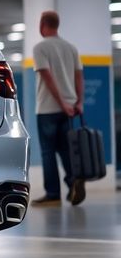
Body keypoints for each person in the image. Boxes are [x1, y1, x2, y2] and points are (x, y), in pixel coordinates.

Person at [31, 11, 85, 207]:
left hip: (47, 108)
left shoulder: (40, 48)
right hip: (70, 108)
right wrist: (78, 103)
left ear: (43, 24)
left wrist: (61, 103)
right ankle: (73, 184)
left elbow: (47, 77)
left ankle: (53, 194)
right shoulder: (71, 48)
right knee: (65, 150)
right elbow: (79, 76)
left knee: (48, 152)